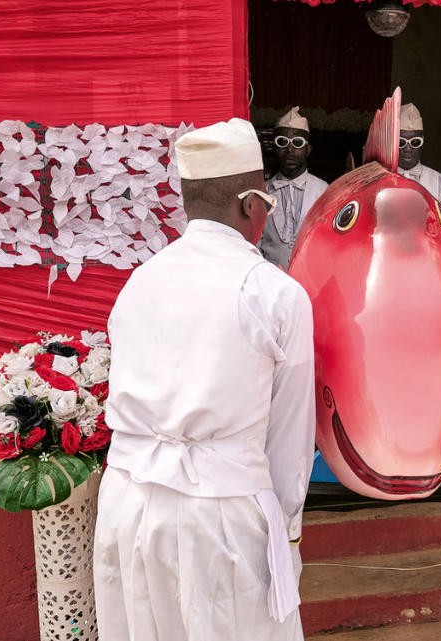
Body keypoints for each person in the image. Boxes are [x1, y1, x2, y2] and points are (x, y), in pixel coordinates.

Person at [94, 119, 316, 641]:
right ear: (250, 205)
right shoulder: (275, 293)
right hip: (220, 514)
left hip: (127, 503)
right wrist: (287, 533)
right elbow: (289, 437)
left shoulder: (141, 280)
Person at [259, 106, 329, 269]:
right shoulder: (262, 192)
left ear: (308, 149)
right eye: (282, 142)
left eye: (297, 143)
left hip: (310, 276)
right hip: (270, 278)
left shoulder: (324, 191)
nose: (289, 149)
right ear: (275, 148)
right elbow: (255, 242)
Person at [397, 103, 441, 213]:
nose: (408, 149)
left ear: (422, 141)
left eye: (415, 142)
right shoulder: (379, 180)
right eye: (401, 142)